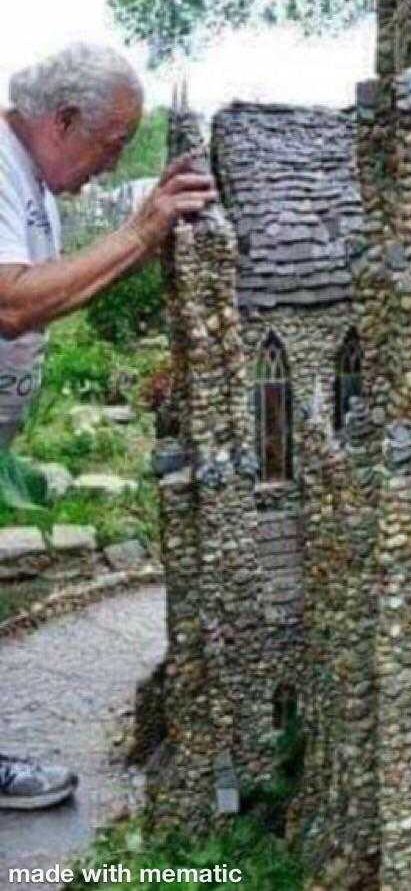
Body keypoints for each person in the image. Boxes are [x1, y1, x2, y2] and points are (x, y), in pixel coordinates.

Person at [0, 44, 216, 810]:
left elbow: (57, 292)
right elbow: (12, 301)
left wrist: (144, 235)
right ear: (62, 119)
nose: (111, 160)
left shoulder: (33, 185)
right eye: (114, 142)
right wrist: (138, 231)